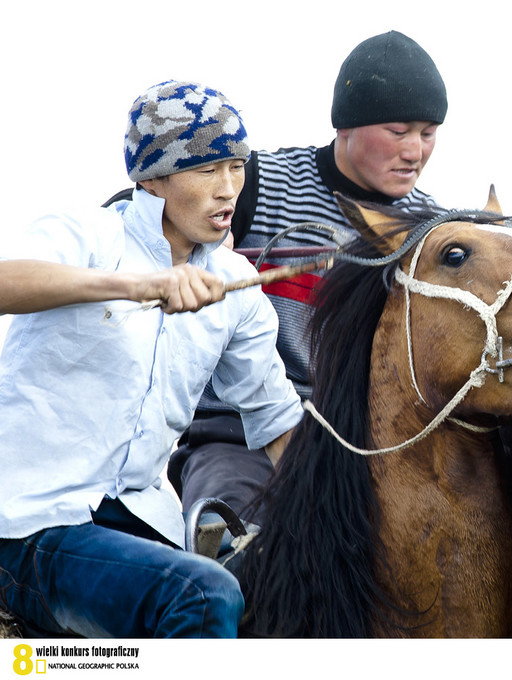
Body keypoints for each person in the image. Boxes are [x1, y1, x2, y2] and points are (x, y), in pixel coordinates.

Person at [0, 81, 303, 638]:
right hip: (29, 524)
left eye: (236, 166)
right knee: (202, 594)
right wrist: (136, 285)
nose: (228, 188)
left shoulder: (237, 284)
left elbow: (276, 419)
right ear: (152, 178)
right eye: (208, 169)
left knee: (281, 587)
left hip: (142, 520)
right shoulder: (85, 233)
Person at [165, 30, 446, 524]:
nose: (415, 151)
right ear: (345, 126)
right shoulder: (256, 184)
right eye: (399, 131)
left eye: (428, 133)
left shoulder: (434, 232)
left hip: (368, 448)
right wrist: (180, 252)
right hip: (238, 435)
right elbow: (137, 220)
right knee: (230, 547)